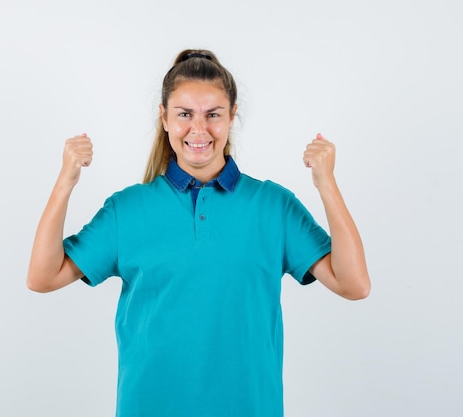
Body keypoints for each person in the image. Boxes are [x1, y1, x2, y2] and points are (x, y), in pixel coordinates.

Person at [27, 49, 370, 417]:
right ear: (164, 117)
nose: (199, 129)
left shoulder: (273, 206)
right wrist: (66, 181)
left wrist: (326, 184)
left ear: (232, 115)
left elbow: (354, 285)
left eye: (213, 115)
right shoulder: (126, 210)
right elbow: (43, 277)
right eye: (184, 114)